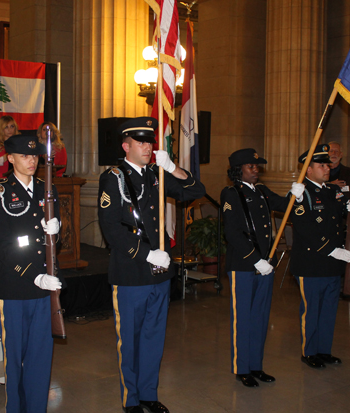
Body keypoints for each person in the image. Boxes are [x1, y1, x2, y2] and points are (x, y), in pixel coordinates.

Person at [98, 117, 205, 413]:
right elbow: (111, 229)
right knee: (130, 342)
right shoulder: (114, 178)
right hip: (132, 272)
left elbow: (196, 190)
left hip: (160, 274)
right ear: (126, 146)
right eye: (141, 142)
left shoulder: (157, 175)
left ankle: (148, 394)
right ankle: (131, 400)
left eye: (150, 142)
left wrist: (172, 168)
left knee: (154, 339)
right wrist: (146, 253)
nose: (147, 147)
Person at [0, 134, 63, 412]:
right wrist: (34, 275)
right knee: (15, 360)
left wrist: (58, 230)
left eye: (34, 156)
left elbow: (52, 241)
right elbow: (2, 246)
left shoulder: (47, 188)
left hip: (45, 289)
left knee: (40, 359)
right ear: (10, 159)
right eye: (24, 156)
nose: (31, 161)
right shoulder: (0, 192)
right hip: (16, 287)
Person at [220, 148, 289, 388]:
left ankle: (256, 365)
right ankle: (242, 368)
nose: (256, 170)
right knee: (243, 318)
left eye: (257, 166)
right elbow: (233, 232)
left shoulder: (261, 191)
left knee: (260, 317)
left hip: (265, 265)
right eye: (251, 166)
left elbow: (283, 204)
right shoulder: (231, 193)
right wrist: (254, 259)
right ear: (239, 170)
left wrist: (298, 194)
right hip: (244, 265)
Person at [289, 144, 350, 369]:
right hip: (311, 263)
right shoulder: (300, 193)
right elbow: (304, 228)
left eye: (327, 164)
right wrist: (332, 250)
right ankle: (309, 352)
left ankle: (324, 350)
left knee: (329, 310)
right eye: (321, 165)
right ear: (308, 169)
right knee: (311, 310)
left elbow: (344, 218)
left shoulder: (333, 191)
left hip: (333, 263)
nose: (326, 168)